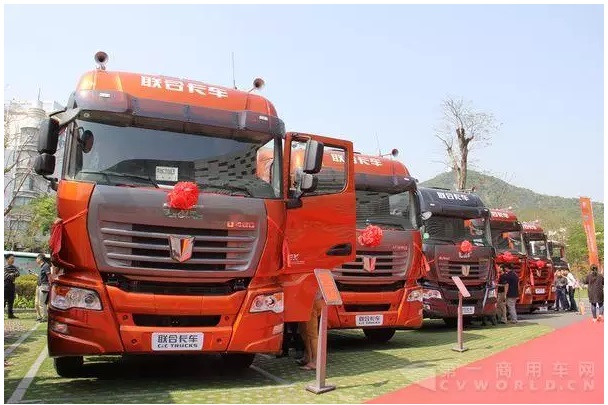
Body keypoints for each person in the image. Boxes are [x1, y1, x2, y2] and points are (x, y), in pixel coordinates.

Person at [297, 289, 324, 371]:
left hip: (312, 301)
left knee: (311, 333)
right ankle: (309, 356)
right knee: (303, 330)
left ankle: (316, 361)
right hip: (308, 301)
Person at [34, 253, 51, 322]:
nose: (36, 260)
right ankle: (40, 316)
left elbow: (49, 276)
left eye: (37, 258)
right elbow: (43, 276)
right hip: (40, 285)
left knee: (42, 303)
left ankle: (44, 317)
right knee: (38, 302)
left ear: (40, 259)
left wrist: (49, 285)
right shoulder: (42, 266)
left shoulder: (46, 266)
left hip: (44, 286)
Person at [4, 254, 21, 319]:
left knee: (11, 300)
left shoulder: (14, 267)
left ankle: (10, 315)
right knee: (4, 300)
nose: (13, 260)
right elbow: (6, 276)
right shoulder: (4, 267)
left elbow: (18, 274)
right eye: (11, 258)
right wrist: (13, 274)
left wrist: (12, 274)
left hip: (12, 284)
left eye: (13, 258)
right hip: (5, 285)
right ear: (7, 259)